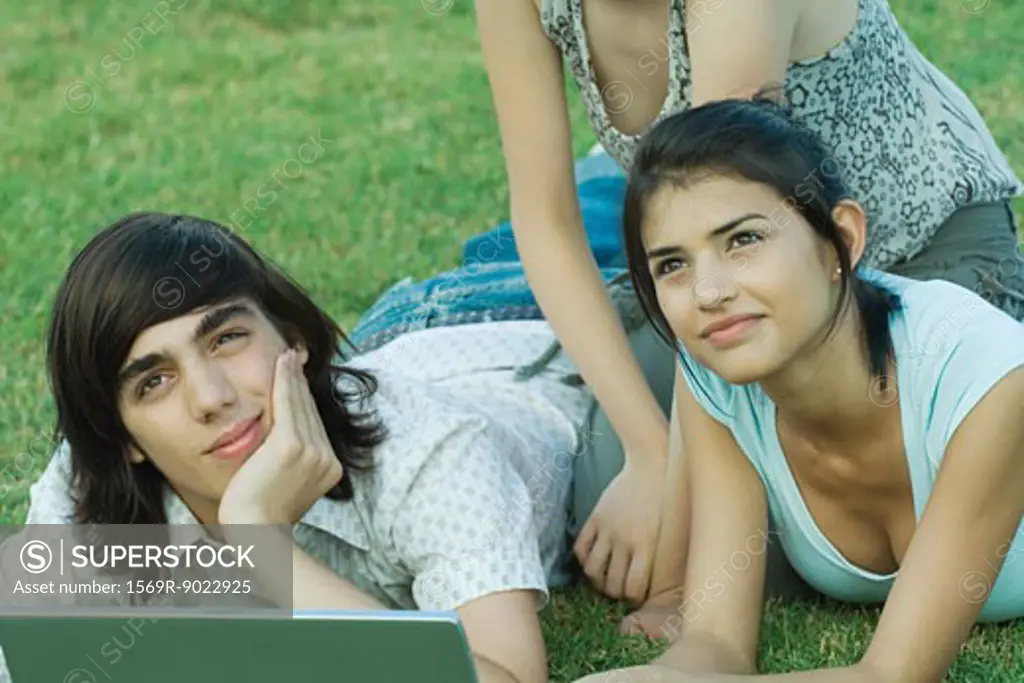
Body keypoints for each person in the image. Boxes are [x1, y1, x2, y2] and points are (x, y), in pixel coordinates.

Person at [472, 0, 1024, 613]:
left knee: (810, 524)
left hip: (912, 259)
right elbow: (545, 219)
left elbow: (718, 193)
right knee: (602, 487)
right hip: (730, 277)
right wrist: (649, 453)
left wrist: (676, 585)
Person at [0, 210, 603, 683]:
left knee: (632, 182)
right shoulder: (88, 483)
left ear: (294, 339)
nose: (209, 398)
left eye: (227, 338)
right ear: (122, 436)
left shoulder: (428, 448)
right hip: (398, 334)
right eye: (154, 381)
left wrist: (260, 543)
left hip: (530, 325)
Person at [573, 97, 1024, 683]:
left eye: (743, 240)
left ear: (843, 238)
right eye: (672, 265)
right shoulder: (719, 374)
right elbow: (714, 643)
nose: (708, 292)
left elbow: (895, 676)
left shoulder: (986, 378)